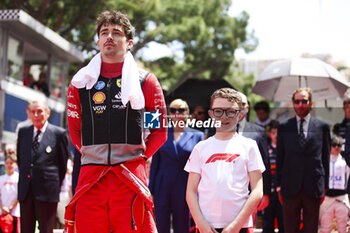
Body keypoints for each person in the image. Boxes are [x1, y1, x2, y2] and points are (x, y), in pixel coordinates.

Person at [65, 10, 167, 233]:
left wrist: (138, 158)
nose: (109, 36)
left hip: (130, 177)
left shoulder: (146, 82)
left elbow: (159, 131)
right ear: (98, 41)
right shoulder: (80, 82)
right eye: (104, 32)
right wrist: (96, 156)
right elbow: (75, 130)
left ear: (129, 42)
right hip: (91, 178)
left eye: (116, 33)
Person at [185, 88, 265, 233]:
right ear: (211, 114)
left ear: (239, 114)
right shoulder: (200, 148)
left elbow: (257, 190)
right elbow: (190, 190)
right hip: (206, 226)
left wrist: (236, 225)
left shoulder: (249, 146)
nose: (224, 117)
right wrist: (201, 223)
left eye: (230, 111)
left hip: (240, 226)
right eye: (218, 111)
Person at [276, 87, 331, 233]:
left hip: (313, 186)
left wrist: (325, 185)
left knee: (311, 228)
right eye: (297, 101)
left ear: (311, 103)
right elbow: (280, 158)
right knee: (289, 228)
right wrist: (278, 186)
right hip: (289, 186)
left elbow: (325, 158)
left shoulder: (322, 127)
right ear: (293, 103)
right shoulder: (283, 127)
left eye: (304, 101)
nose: (301, 104)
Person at [149, 99, 204, 233]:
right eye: (173, 110)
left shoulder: (198, 135)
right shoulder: (160, 134)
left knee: (182, 225)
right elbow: (155, 163)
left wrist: (200, 191)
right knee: (161, 226)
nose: (177, 113)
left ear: (188, 113)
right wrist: (151, 191)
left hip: (185, 187)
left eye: (181, 110)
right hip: (162, 186)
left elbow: (200, 166)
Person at [17, 100, 69, 233]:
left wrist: (53, 184)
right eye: (32, 112)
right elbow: (21, 160)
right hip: (26, 192)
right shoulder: (23, 132)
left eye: (39, 111)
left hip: (47, 192)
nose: (36, 115)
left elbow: (62, 165)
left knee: (46, 230)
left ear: (47, 113)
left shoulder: (58, 134)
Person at [237, 93, 271, 212]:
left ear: (247, 108)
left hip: (250, 190)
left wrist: (265, 192)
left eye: (242, 104)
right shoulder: (218, 130)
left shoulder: (258, 131)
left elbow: (264, 162)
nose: (239, 107)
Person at [319, 134, 349, 233]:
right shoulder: (323, 161)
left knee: (343, 226)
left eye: (339, 145)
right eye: (334, 145)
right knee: (325, 226)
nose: (336, 147)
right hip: (326, 198)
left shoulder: (345, 161)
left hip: (341, 197)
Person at [262, 120, 284, 233]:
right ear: (270, 134)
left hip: (282, 191)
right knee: (268, 223)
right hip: (269, 192)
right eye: (274, 133)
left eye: (278, 133)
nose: (276, 135)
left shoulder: (284, 149)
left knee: (283, 222)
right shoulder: (266, 149)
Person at [0, 152, 20, 233]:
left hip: (14, 213)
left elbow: (20, 195)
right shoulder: (1, 178)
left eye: (11, 163)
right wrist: (2, 207)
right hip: (2, 213)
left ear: (16, 164)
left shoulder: (18, 178)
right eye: (7, 163)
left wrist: (11, 207)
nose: (9, 165)